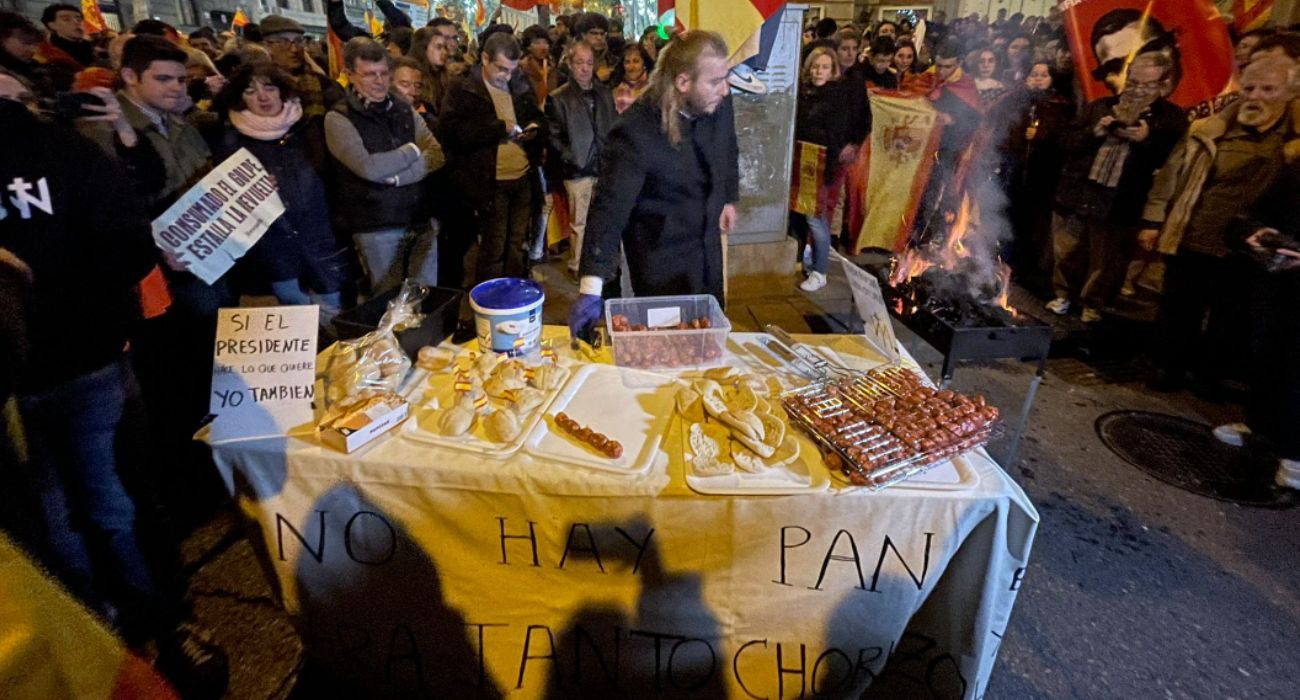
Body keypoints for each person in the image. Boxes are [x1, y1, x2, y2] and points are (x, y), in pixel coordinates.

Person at [0, 69, 229, 697]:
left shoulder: (67, 148)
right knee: (110, 503)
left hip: (37, 373)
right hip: (82, 359)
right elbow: (130, 247)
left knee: (53, 515)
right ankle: (158, 626)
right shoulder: (62, 148)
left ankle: (92, 632)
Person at [1139, 57, 1299, 394]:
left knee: (1231, 317)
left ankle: (1211, 376)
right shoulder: (1209, 130)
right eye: (1249, 87)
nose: (1255, 96)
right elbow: (1169, 177)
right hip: (1196, 236)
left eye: (1268, 89)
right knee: (1179, 308)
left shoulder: (1291, 144)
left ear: (1290, 92)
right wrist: (1153, 221)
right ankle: (1168, 367)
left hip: (1252, 251)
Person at [568, 30, 740, 338]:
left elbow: (727, 146)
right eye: (715, 82)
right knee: (669, 344)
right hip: (661, 255)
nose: (725, 90)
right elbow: (609, 210)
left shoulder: (717, 104)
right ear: (683, 82)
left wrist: (728, 196)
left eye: (725, 78)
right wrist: (591, 288)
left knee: (708, 335)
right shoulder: (635, 131)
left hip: (707, 246)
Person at [1045, 53, 1186, 323]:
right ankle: (1064, 294)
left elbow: (1171, 164)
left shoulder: (1170, 119)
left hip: (1120, 201)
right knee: (1067, 251)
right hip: (1078, 192)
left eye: (1146, 85)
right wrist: (1094, 133)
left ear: (1163, 84)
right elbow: (1065, 141)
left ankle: (1093, 304)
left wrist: (1146, 139)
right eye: (1132, 83)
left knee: (1105, 261)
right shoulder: (1100, 107)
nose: (1137, 91)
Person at [211, 62, 347, 324]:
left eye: (269, 88)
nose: (262, 97)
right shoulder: (228, 140)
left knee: (334, 314)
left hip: (321, 238)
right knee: (295, 321)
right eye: (250, 91)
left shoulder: (308, 127)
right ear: (239, 97)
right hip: (272, 247)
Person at [326, 37, 444, 296]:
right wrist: (412, 151)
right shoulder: (339, 118)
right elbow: (369, 168)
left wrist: (398, 178)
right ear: (349, 74)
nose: (379, 81)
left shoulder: (403, 109)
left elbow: (436, 153)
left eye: (383, 73)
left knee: (425, 298)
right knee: (388, 300)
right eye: (369, 74)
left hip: (419, 216)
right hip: (377, 226)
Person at [438, 32, 547, 311]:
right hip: (489, 182)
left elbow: (536, 115)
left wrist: (534, 129)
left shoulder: (519, 84)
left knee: (516, 244)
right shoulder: (464, 89)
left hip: (521, 177)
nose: (506, 77)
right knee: (493, 247)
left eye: (512, 70)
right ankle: (490, 304)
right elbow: (452, 132)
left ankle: (515, 299)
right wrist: (500, 128)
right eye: (500, 69)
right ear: (484, 59)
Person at [1228, 160, 1300, 488]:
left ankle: (1294, 457)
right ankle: (1261, 429)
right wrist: (1254, 232)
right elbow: (1256, 210)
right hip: (1281, 284)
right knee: (1270, 355)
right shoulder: (1296, 166)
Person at [791, 46, 861, 293]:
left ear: (833, 71)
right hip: (801, 162)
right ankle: (809, 261)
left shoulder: (838, 96)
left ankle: (820, 272)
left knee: (816, 218)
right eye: (815, 65)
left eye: (824, 67)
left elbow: (840, 134)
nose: (818, 71)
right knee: (801, 217)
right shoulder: (805, 92)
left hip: (822, 166)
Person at [546, 41, 616, 282]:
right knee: (580, 222)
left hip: (604, 166)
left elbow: (613, 126)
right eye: (579, 63)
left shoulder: (604, 93)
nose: (585, 68)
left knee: (604, 219)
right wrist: (572, 157)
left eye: (589, 62)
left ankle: (600, 265)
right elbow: (553, 137)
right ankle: (577, 266)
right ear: (570, 64)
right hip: (577, 170)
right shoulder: (559, 98)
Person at [260, 15, 345, 118]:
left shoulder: (324, 84)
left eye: (298, 41)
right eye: (283, 42)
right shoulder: (258, 88)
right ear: (266, 46)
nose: (294, 49)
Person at [408, 26, 451, 127]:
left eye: (445, 47)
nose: (445, 52)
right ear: (423, 48)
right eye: (438, 47)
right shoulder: (411, 78)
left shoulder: (446, 79)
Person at [573, 12, 617, 83]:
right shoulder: (569, 61)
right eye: (594, 33)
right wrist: (595, 79)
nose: (599, 37)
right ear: (583, 35)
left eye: (602, 34)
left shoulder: (612, 60)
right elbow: (564, 91)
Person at [519, 24, 556, 107]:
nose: (543, 47)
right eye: (537, 43)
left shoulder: (553, 68)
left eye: (545, 42)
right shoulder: (522, 70)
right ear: (528, 46)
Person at [612, 42, 652, 113]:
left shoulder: (653, 88)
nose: (631, 67)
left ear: (644, 63)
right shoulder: (615, 89)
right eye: (627, 62)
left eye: (636, 61)